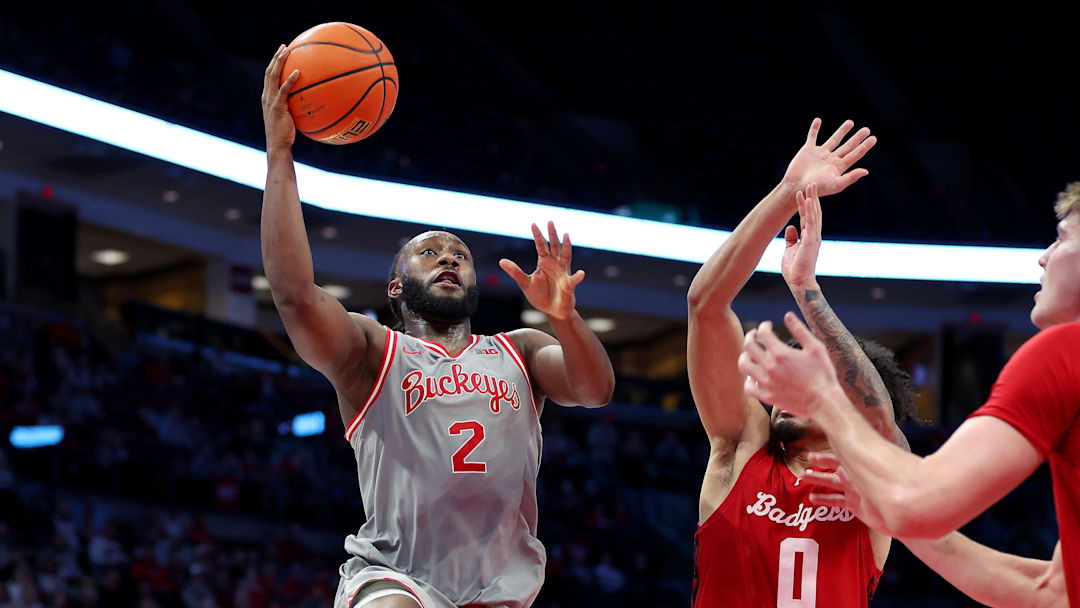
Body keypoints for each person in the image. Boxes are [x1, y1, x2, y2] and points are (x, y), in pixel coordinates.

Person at [260, 45, 615, 608]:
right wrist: (281, 154)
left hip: (502, 588)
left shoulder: (521, 349)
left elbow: (595, 391)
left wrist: (566, 321)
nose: (449, 258)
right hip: (394, 575)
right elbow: (295, 296)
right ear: (396, 287)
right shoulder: (372, 351)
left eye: (460, 253)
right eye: (429, 253)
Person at [738, 182, 1080, 606]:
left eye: (1063, 237)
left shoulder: (1066, 352)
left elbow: (921, 502)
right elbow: (1054, 593)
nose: (1044, 257)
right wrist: (890, 511)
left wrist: (824, 399)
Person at [687, 118, 916, 607]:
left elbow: (879, 423)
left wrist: (808, 292)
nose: (786, 390)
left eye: (812, 378)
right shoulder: (740, 452)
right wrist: (788, 191)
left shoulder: (873, 486)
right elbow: (706, 307)